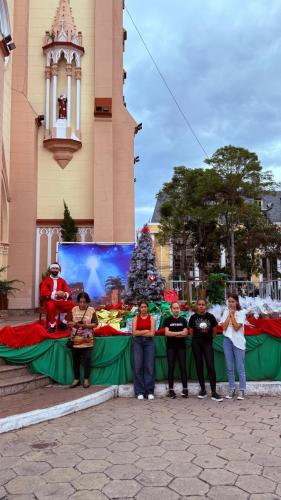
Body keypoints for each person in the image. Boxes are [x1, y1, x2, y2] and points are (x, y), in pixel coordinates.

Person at [189, 298, 223, 402]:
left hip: (207, 344)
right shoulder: (193, 317)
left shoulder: (211, 317)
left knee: (210, 366)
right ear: (197, 306)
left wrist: (208, 339)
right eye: (199, 304)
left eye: (203, 304)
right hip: (196, 344)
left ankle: (213, 392)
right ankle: (203, 390)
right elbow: (191, 331)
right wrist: (197, 339)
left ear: (206, 306)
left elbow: (214, 331)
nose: (201, 306)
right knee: (199, 365)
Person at [68, 292, 98, 389]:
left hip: (87, 340)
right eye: (80, 302)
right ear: (78, 302)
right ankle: (76, 379)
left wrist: (85, 325)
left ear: (88, 302)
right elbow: (68, 323)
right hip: (75, 340)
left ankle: (86, 379)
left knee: (87, 360)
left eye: (84, 302)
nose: (82, 304)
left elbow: (95, 324)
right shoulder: (73, 310)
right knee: (75, 361)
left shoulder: (91, 310)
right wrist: (75, 324)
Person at [220, 293, 246, 400]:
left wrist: (232, 315)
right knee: (229, 367)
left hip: (238, 342)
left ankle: (242, 390)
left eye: (232, 301)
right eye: (229, 301)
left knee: (240, 367)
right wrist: (228, 315)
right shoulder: (225, 312)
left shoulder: (241, 313)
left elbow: (236, 327)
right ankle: (231, 389)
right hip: (227, 340)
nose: (230, 304)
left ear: (237, 302)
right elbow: (224, 327)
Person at [40, 262, 75, 333]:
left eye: (56, 268)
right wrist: (55, 293)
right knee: (50, 306)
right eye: (53, 268)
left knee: (72, 305)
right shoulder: (46, 281)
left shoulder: (62, 281)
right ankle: (52, 325)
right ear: (50, 270)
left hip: (61, 301)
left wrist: (64, 294)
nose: (55, 270)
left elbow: (68, 291)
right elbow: (43, 292)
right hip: (50, 301)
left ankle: (63, 323)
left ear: (58, 270)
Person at [132, 300, 156, 400]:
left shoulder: (152, 319)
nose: (143, 309)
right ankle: (139, 392)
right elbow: (134, 333)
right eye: (141, 307)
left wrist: (140, 332)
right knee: (138, 366)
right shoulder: (135, 319)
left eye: (145, 307)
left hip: (149, 343)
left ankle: (149, 391)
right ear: (139, 308)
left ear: (148, 308)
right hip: (137, 343)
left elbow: (152, 334)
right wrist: (146, 330)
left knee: (149, 366)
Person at [164, 301, 188, 398]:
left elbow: (185, 333)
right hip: (171, 347)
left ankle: (185, 389)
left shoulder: (183, 320)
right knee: (171, 367)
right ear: (171, 309)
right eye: (174, 308)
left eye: (177, 308)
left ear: (179, 309)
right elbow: (166, 333)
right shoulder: (167, 320)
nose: (176, 310)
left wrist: (173, 334)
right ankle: (171, 390)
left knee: (183, 367)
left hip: (181, 347)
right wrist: (179, 333)